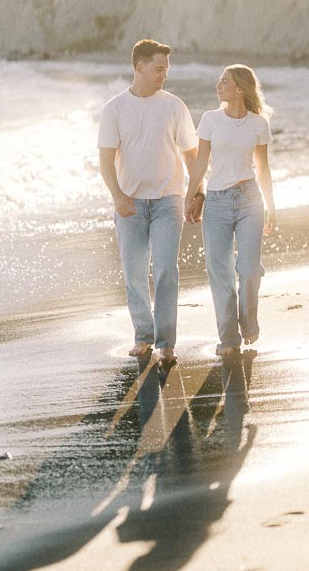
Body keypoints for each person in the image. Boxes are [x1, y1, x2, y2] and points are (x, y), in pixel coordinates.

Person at [98, 40, 199, 365]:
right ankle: (143, 336)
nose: (164, 76)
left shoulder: (174, 106)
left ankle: (166, 342)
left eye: (166, 70)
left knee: (167, 268)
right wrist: (117, 196)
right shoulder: (114, 108)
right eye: (158, 69)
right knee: (134, 273)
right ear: (138, 67)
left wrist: (198, 191)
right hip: (130, 203)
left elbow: (191, 153)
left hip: (169, 200)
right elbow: (106, 159)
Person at [184, 65, 277, 355]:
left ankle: (248, 323)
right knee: (220, 273)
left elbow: (262, 167)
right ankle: (228, 338)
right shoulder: (210, 120)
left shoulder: (258, 124)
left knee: (249, 269)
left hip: (250, 199)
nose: (218, 85)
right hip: (217, 202)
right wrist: (190, 196)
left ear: (239, 88)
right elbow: (200, 163)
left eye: (225, 81)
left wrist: (271, 204)